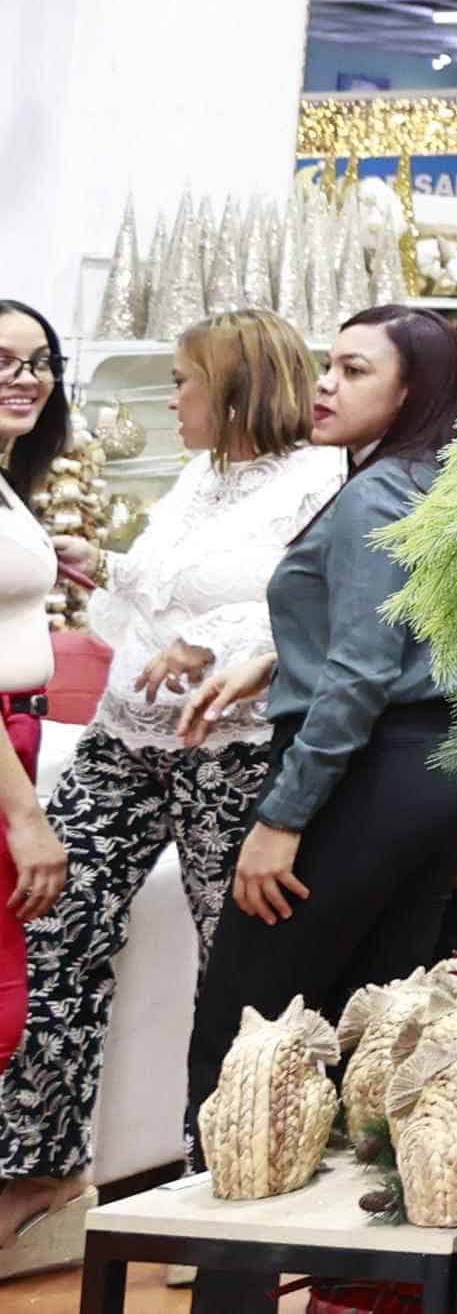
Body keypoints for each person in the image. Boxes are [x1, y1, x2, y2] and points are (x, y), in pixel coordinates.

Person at [0, 312, 340, 1227]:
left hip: (230, 748)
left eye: (185, 380)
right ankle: (36, 1164)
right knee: (53, 917)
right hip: (127, 734)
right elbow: (164, 589)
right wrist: (99, 565)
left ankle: (224, 1176)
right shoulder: (199, 475)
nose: (171, 397)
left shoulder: (323, 480)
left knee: (228, 961)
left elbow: (315, 618)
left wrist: (215, 645)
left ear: (234, 390)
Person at [177, 307, 457, 1143]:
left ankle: (223, 1259)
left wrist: (281, 819)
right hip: (442, 774)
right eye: (327, 366)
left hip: (364, 778)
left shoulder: (377, 494)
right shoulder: (446, 489)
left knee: (246, 1042)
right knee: (374, 1036)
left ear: (411, 391)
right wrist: (281, 658)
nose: (324, 385)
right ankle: (350, 1271)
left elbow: (360, 674)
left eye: (354, 372)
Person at [0, 307, 93, 1076]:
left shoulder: (10, 481)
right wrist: (26, 819)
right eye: (1, 359)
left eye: (38, 362)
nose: (24, 379)